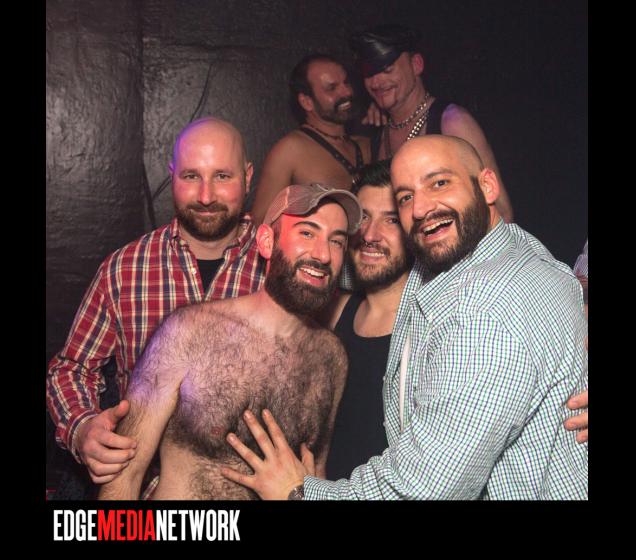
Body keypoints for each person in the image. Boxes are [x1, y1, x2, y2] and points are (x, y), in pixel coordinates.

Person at [222, 135, 588, 500]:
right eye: (406, 198)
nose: (422, 208)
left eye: (439, 182)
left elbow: (424, 489)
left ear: (487, 186)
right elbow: (339, 264)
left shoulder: (482, 311)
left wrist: (299, 493)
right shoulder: (503, 252)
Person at [98, 183, 362, 500]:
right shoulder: (189, 330)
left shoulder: (331, 358)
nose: (323, 254)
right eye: (307, 233)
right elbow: (125, 473)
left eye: (337, 241)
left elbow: (315, 474)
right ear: (266, 242)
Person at [46, 117, 266, 488]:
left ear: (247, 176)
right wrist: (83, 429)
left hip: (242, 488)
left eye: (222, 176)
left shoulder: (275, 272)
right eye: (191, 176)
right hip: (140, 486)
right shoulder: (125, 269)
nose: (206, 196)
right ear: (172, 174)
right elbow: (71, 368)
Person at [349, 23, 514, 223]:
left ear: (416, 64)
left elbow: (502, 212)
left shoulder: (452, 122)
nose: (376, 82)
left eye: (387, 69)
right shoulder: (378, 132)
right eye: (368, 74)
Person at [321, 160, 412, 479]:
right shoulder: (335, 312)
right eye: (363, 218)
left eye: (391, 220)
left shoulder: (429, 325)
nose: (371, 235)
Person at [250, 54, 371, 226]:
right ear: (307, 102)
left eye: (346, 83)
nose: (347, 92)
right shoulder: (291, 150)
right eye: (332, 88)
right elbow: (261, 222)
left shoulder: (365, 144)